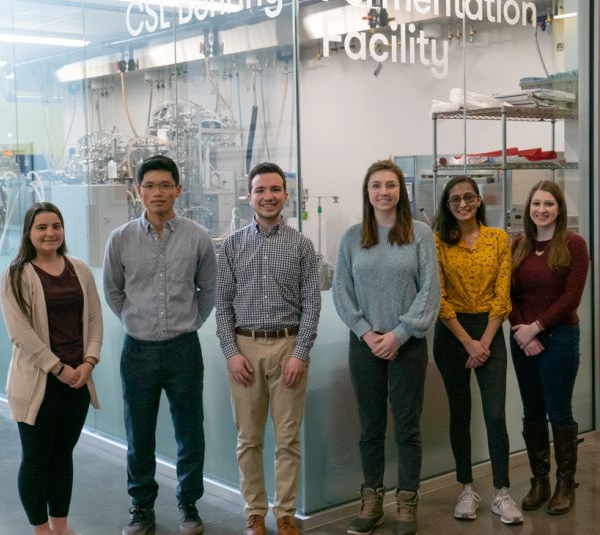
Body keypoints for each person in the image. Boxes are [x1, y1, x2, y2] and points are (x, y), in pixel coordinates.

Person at [103, 155, 217, 535]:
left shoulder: (197, 237)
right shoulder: (120, 239)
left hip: (184, 349)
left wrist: (192, 323)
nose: (157, 193)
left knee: (190, 431)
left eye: (165, 185)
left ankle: (189, 504)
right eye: (149, 186)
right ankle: (142, 507)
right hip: (138, 351)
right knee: (139, 434)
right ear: (138, 192)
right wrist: (136, 321)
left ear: (178, 190)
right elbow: (114, 291)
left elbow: (208, 289)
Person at [332, 159, 440, 535]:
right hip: (364, 345)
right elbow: (342, 292)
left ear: (401, 191)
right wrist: (366, 332)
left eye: (390, 185)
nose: (383, 192)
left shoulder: (421, 234)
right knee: (370, 427)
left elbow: (430, 292)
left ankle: (407, 504)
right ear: (367, 192)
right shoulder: (351, 236)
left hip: (407, 346)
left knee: (407, 428)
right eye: (376, 185)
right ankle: (372, 501)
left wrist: (399, 335)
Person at [215, 162, 321, 535]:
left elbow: (312, 304)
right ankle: (255, 513)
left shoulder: (302, 246)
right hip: (244, 348)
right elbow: (222, 304)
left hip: (288, 347)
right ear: (250, 197)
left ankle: (286, 513)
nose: (268, 197)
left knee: (288, 439)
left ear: (285, 196)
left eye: (275, 190)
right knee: (249, 438)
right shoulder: (231, 245)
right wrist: (231, 352)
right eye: (260, 190)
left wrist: (300, 353)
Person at [1, 202, 103, 535]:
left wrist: (89, 362)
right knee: (36, 458)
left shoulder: (79, 268)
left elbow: (93, 319)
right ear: (29, 233)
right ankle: (41, 529)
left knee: (63, 456)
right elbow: (21, 334)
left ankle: (61, 526)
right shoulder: (17, 274)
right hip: (38, 382)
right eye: (41, 227)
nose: (50, 233)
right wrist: (58, 367)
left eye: (55, 226)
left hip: (78, 382)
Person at [432, 175, 523, 526]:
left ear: (479, 201)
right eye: (455, 200)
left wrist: (484, 340)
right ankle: (467, 488)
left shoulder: (498, 239)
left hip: (489, 329)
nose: (463, 204)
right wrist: (467, 341)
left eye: (469, 197)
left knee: (495, 415)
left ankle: (502, 492)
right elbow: (438, 298)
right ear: (448, 205)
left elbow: (503, 295)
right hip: (452, 334)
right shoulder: (439, 242)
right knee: (460, 413)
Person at [509, 181, 588, 515]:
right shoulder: (519, 244)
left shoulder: (573, 244)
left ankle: (564, 483)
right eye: (536, 204)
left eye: (548, 204)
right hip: (521, 338)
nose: (541, 210)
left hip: (560, 338)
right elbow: (507, 293)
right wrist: (520, 330)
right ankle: (539, 480)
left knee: (559, 410)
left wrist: (536, 329)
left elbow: (571, 296)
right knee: (531, 410)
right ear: (529, 209)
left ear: (559, 209)